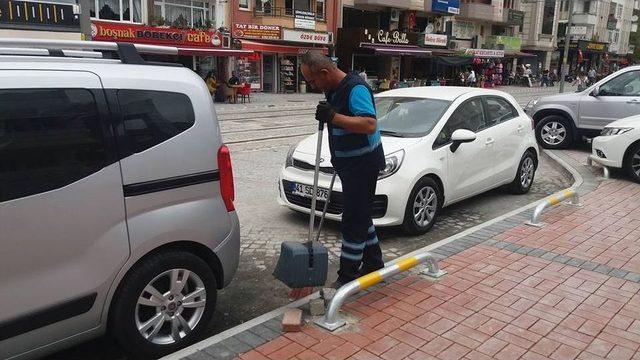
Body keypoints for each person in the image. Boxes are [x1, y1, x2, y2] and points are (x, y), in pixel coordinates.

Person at [299, 51, 385, 287]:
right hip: (348, 164)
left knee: (352, 221)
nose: (312, 85)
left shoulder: (356, 88)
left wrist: (333, 117)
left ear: (325, 73)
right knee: (361, 215)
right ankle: (374, 263)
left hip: (363, 165)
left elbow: (369, 124)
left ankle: (347, 276)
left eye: (312, 81)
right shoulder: (333, 89)